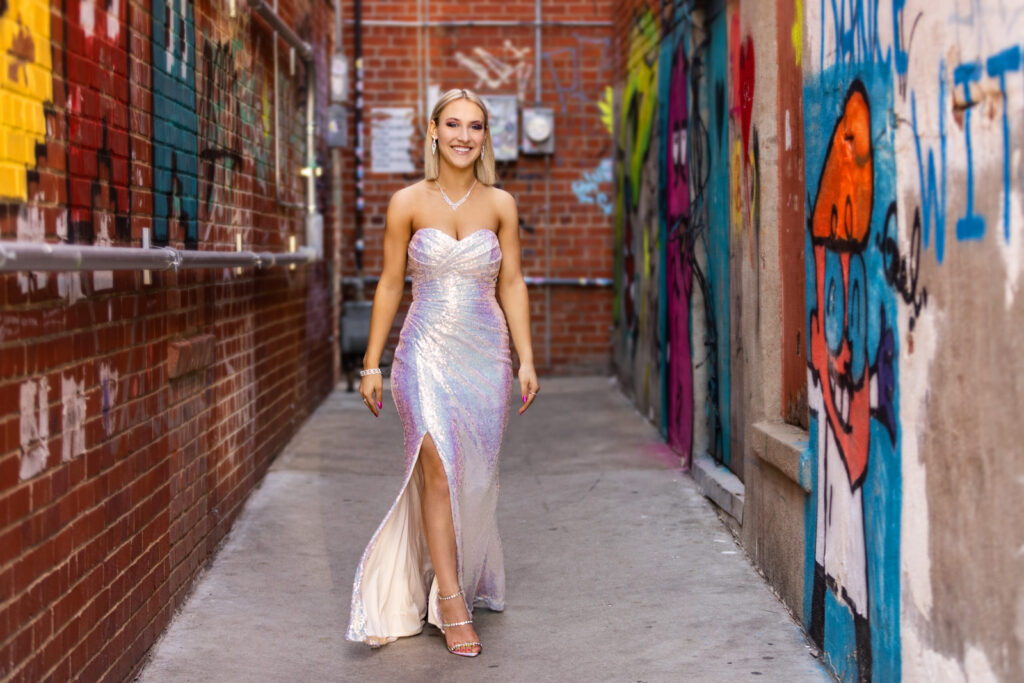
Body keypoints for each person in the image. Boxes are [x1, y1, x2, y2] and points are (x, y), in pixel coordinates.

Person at [345, 88, 539, 657]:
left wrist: (526, 358)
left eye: (474, 126)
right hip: (422, 353)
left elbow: (513, 284)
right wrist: (371, 363)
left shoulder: (501, 203)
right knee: (435, 469)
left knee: (473, 478)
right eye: (452, 124)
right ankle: (451, 603)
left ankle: (462, 574)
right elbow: (387, 284)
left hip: (485, 354)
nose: (462, 135)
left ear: (485, 137)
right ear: (432, 131)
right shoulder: (406, 202)